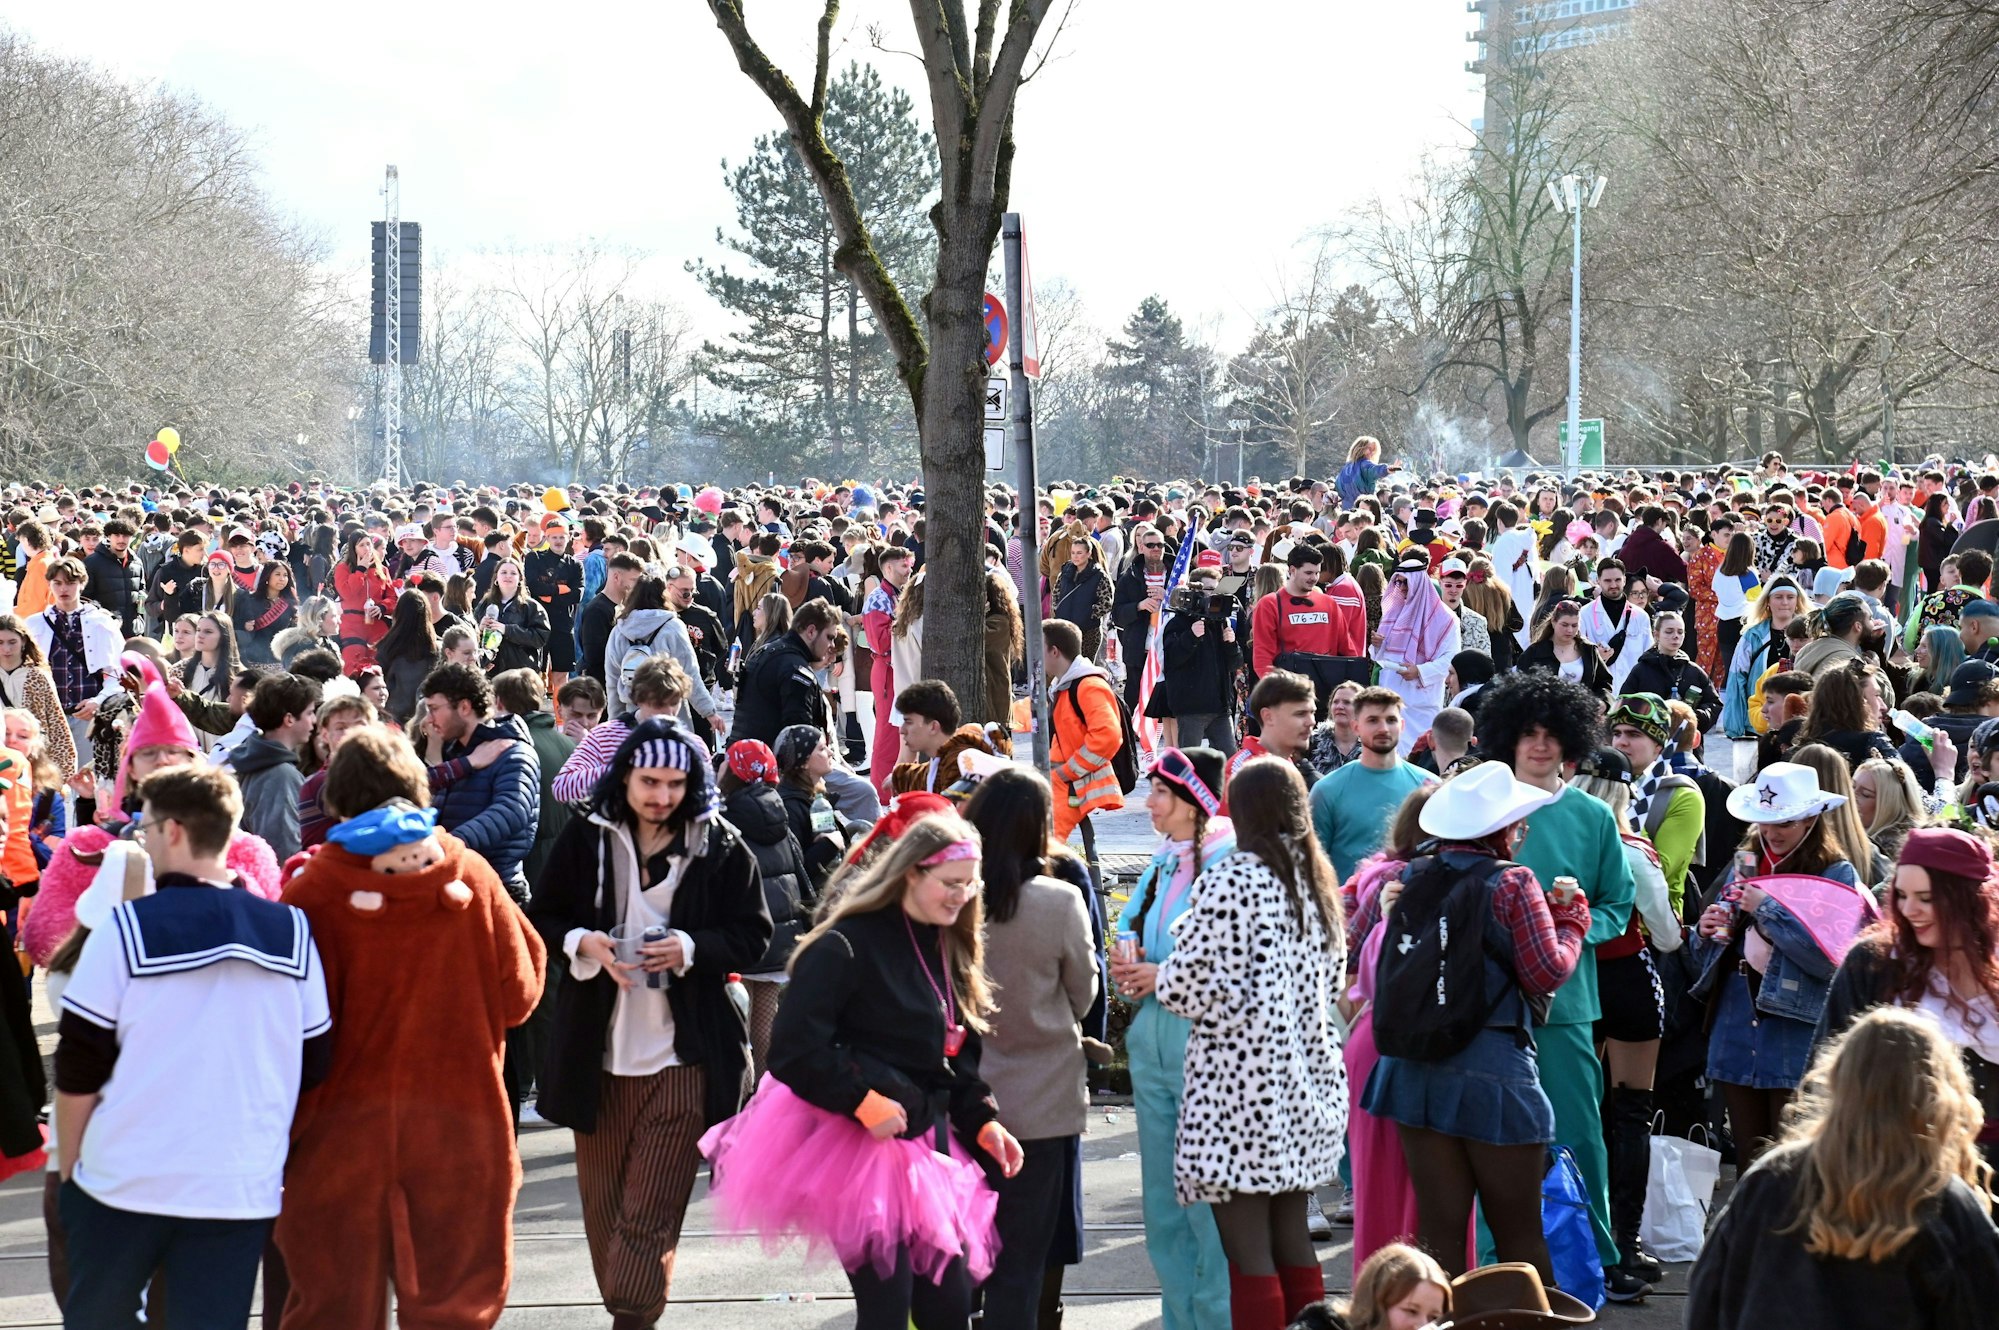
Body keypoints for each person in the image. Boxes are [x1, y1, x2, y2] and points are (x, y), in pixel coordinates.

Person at [698, 812, 1023, 1330]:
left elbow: (954, 1058)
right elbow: (793, 1049)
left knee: (948, 1303)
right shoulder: (846, 943)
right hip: (856, 1145)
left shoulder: (948, 943)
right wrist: (860, 1100)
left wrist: (983, 1119)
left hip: (925, 1143)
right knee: (887, 1311)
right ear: (911, 874)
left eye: (969, 885)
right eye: (950, 884)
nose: (962, 896)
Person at [275, 728, 545, 1330]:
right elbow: (521, 993)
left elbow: (282, 1025)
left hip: (338, 1131)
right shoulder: (471, 877)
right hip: (460, 1121)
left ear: (338, 801)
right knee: (456, 1302)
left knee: (332, 1306)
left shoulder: (313, 892)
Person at [53, 763, 330, 1328]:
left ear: (174, 830)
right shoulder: (292, 932)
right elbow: (315, 1062)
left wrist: (70, 1172)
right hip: (237, 1183)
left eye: (147, 827)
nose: (144, 840)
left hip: (124, 1178)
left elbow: (79, 1069)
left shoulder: (124, 929)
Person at [531, 718, 773, 1330]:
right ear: (625, 779)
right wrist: (586, 942)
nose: (661, 796)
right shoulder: (588, 838)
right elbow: (544, 915)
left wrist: (691, 948)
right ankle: (632, 1309)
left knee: (648, 1216)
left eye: (673, 783)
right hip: (598, 1060)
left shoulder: (717, 843)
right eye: (649, 782)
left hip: (685, 1059)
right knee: (607, 1216)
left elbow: (754, 934)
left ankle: (631, 1317)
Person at [1359, 760, 1590, 1285]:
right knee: (1520, 1239)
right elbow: (1545, 972)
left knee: (1439, 1238)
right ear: (1504, 829)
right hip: (1495, 1072)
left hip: (1414, 1072)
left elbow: (1362, 948)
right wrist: (1572, 923)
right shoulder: (1513, 882)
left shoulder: (1410, 875)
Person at [1153, 757, 1346, 1330]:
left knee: (1247, 1252)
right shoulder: (1318, 882)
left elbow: (1189, 987)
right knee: (1292, 1238)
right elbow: (1334, 982)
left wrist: (1155, 976)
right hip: (1306, 1082)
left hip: (1238, 1087)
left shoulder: (1233, 878)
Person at [1473, 668, 1639, 1299]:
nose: (1539, 745)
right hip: (1490, 1004)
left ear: (1570, 742)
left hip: (1567, 1005)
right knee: (1494, 1139)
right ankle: (1494, 1257)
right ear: (1508, 738)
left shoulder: (1594, 816)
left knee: (1578, 1135)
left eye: (1550, 734)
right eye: (1528, 733)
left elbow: (1619, 906)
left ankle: (1598, 1253)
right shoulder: (1484, 806)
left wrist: (1562, 929)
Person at [1685, 1007, 1999, 1330]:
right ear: (1939, 1096)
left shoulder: (1769, 1179)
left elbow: (1706, 1299)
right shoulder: (1947, 1204)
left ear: (1837, 1080)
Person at [959, 768, 1097, 1330]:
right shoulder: (1059, 901)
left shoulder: (952, 893)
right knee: (1022, 1262)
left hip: (964, 1097)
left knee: (962, 1252)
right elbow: (1085, 996)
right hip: (1045, 1100)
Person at [1110, 746, 1233, 1330]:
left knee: (1210, 1204)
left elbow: (1234, 964)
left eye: (1159, 792)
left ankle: (1215, 1320)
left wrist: (1164, 974)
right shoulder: (1164, 860)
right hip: (1154, 1042)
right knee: (1163, 1207)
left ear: (1192, 799)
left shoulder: (1231, 860)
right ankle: (1180, 1319)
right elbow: (1129, 923)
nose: (1149, 802)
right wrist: (1126, 962)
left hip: (1207, 1046)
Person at [1691, 761, 1867, 1168]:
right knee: (1751, 1161)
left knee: (1793, 1160)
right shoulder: (1746, 863)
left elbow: (1828, 960)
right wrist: (1704, 931)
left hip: (1794, 1030)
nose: (1771, 833)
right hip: (1736, 1022)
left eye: (1783, 822)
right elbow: (1703, 956)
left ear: (1810, 819)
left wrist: (1768, 909)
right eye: (1763, 822)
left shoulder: (1835, 872)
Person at [1568, 745, 1684, 1290]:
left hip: (1574, 979)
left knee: (1579, 1112)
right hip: (1628, 978)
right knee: (1631, 1112)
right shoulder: (1634, 849)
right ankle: (1625, 1246)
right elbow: (1666, 934)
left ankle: (1578, 1237)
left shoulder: (1555, 841)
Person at [718, 738, 816, 1078]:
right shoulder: (781, 813)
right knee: (765, 1013)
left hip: (744, 932)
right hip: (782, 932)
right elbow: (800, 869)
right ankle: (767, 1092)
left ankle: (741, 1094)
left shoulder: (726, 818)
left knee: (736, 1018)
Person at [420, 663, 540, 904]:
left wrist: (447, 845)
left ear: (464, 707)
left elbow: (511, 812)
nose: (429, 719)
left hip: (498, 891)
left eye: (434, 709)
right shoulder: (458, 752)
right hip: (460, 882)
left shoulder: (515, 753)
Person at [1309, 687, 1435, 881]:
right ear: (1356, 726)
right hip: (1347, 907)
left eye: (1390, 720)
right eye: (1373, 720)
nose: (1383, 728)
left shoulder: (1429, 787)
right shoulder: (1327, 790)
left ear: (1402, 725)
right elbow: (1313, 866)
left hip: (1410, 905)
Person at [1372, 554, 1458, 751]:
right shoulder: (1392, 612)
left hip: (1420, 702)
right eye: (1398, 583)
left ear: (1418, 584)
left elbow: (1450, 660)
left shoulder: (1445, 619)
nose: (1401, 588)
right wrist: (1378, 645)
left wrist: (1419, 671)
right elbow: (1384, 656)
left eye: (1405, 583)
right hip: (1390, 699)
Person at [230, 672, 320, 862]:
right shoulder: (280, 776)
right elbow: (283, 849)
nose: (314, 721)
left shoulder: (256, 758)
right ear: (289, 719)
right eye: (310, 713)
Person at [731, 598, 839, 747]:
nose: (831, 645)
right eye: (830, 637)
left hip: (748, 758)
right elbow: (800, 743)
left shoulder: (769, 652)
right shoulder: (795, 669)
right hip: (763, 763)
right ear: (811, 631)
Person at [1723, 574, 1805, 738]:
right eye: (1778, 597)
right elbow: (1737, 681)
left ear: (1797, 601)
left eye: (1790, 597)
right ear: (1767, 601)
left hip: (1799, 724)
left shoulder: (1809, 632)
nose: (1784, 602)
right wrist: (1735, 727)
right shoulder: (1752, 636)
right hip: (1760, 722)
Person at [0, 613, 77, 781]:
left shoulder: (37, 677)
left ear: (23, 642)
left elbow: (57, 726)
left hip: (32, 764)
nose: (6, 649)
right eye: (0, 643)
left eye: (12, 642)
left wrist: (61, 777)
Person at [1621, 611, 1721, 735]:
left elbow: (1714, 704)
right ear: (1656, 634)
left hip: (1687, 743)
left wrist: (1692, 717)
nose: (1675, 636)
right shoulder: (1641, 670)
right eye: (1669, 631)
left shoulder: (1694, 671)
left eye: (1680, 632)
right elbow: (1624, 703)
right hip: (1650, 741)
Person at [1798, 657, 1898, 770]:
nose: (1883, 706)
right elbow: (1907, 784)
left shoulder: (1800, 748)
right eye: (1876, 695)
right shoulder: (1871, 742)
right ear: (1858, 701)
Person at [524, 514, 582, 689]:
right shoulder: (534, 558)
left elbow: (577, 595)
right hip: (537, 623)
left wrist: (548, 595)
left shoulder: (575, 565)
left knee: (561, 675)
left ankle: (561, 717)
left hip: (563, 625)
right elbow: (534, 587)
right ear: (547, 537)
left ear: (568, 538)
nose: (558, 541)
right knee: (534, 673)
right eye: (554, 537)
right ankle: (533, 714)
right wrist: (561, 590)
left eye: (562, 537)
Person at [1516, 599, 1613, 703]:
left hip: (1582, 714)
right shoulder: (1534, 652)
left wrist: (1603, 702)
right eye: (1564, 625)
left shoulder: (1589, 650)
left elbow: (1604, 683)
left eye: (1574, 625)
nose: (1570, 630)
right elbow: (1520, 688)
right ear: (1553, 621)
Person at [477, 557, 552, 678]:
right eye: (503, 572)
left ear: (520, 579)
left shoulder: (531, 607)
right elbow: (470, 636)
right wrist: (479, 629)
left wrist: (507, 630)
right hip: (491, 673)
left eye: (513, 573)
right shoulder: (485, 604)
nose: (508, 576)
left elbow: (540, 638)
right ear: (496, 577)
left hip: (521, 674)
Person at [578, 552, 643, 688]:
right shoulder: (596, 610)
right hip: (601, 688)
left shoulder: (622, 606)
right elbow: (594, 656)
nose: (638, 586)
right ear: (616, 577)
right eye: (633, 580)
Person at [335, 534, 395, 676]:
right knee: (354, 662)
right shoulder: (343, 568)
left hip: (376, 624)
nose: (366, 548)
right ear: (353, 549)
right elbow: (347, 593)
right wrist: (360, 570)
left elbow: (393, 598)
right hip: (352, 624)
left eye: (368, 544)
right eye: (361, 545)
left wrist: (382, 607)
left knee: (380, 663)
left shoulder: (382, 570)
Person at [1850, 756, 1926, 866]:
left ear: (1888, 805)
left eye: (1865, 794)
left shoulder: (1892, 852)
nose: (1852, 796)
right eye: (1852, 786)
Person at [232, 560, 298, 667]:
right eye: (277, 574)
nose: (282, 579)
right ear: (267, 576)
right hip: (253, 660)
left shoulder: (289, 604)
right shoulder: (250, 600)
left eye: (285, 575)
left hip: (279, 660)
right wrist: (244, 626)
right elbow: (237, 627)